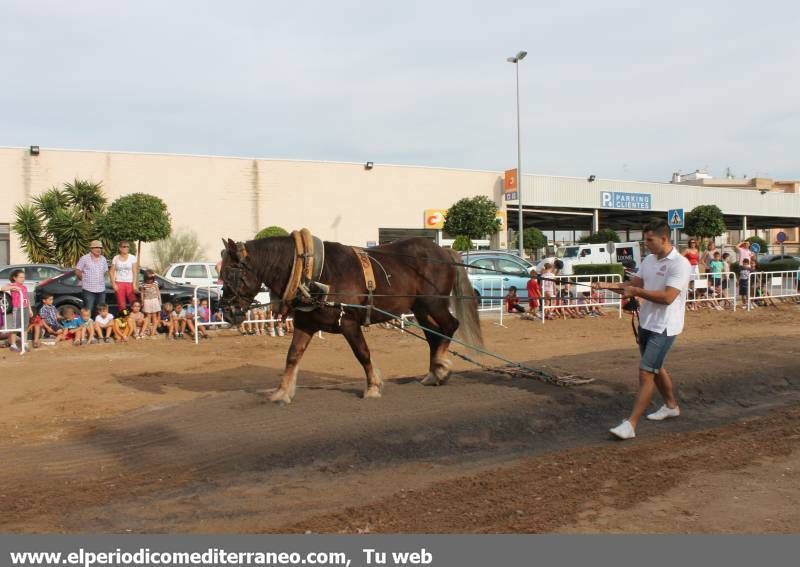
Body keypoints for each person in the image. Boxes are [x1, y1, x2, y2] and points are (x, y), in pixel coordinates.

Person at [596, 219, 690, 440]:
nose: (646, 244)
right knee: (656, 368)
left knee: (646, 372)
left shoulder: (680, 264)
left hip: (665, 326)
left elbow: (667, 298)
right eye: (645, 239)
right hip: (646, 322)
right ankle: (671, 406)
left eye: (650, 240)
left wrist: (636, 291)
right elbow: (633, 285)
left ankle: (630, 424)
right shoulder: (649, 260)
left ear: (664, 239)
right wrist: (607, 286)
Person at [0, 269, 33, 353]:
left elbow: (27, 298)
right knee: (16, 327)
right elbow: (3, 288)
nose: (23, 279)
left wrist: (30, 309)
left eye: (24, 277)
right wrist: (13, 287)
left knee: (25, 326)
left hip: (25, 307)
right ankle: (13, 344)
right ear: (15, 278)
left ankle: (24, 343)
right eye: (21, 277)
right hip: (17, 308)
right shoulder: (13, 284)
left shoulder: (24, 287)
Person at [75, 240, 109, 317]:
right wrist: (83, 279)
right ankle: (87, 328)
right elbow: (78, 270)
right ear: (91, 249)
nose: (99, 249)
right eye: (96, 247)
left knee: (101, 311)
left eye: (100, 248)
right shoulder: (84, 258)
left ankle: (98, 327)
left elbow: (105, 272)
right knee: (88, 310)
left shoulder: (103, 259)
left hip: (101, 290)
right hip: (88, 290)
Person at [109, 241, 139, 311]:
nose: (126, 248)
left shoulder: (132, 257)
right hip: (119, 283)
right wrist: (113, 284)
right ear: (120, 248)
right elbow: (111, 272)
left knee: (133, 303)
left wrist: (134, 285)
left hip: (130, 283)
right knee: (122, 305)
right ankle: (123, 320)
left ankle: (133, 320)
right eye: (124, 246)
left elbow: (135, 272)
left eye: (128, 247)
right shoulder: (116, 258)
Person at [139, 270, 161, 338]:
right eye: (148, 279)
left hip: (154, 300)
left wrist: (159, 299)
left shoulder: (155, 283)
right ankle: (149, 329)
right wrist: (142, 301)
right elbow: (142, 293)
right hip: (147, 300)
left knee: (154, 316)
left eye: (151, 279)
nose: (150, 280)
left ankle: (153, 332)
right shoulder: (143, 284)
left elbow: (158, 291)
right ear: (145, 278)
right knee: (148, 316)